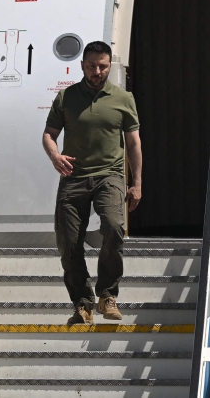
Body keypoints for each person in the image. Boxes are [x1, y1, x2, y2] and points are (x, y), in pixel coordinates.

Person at [42, 41, 142, 325]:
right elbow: (49, 134)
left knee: (113, 226)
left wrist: (137, 184)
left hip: (110, 175)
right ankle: (82, 304)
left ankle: (107, 295)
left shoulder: (123, 99)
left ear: (110, 66)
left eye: (102, 66)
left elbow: (134, 143)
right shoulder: (66, 97)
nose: (96, 72)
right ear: (82, 65)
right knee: (69, 243)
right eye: (91, 66)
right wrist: (54, 155)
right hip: (73, 178)